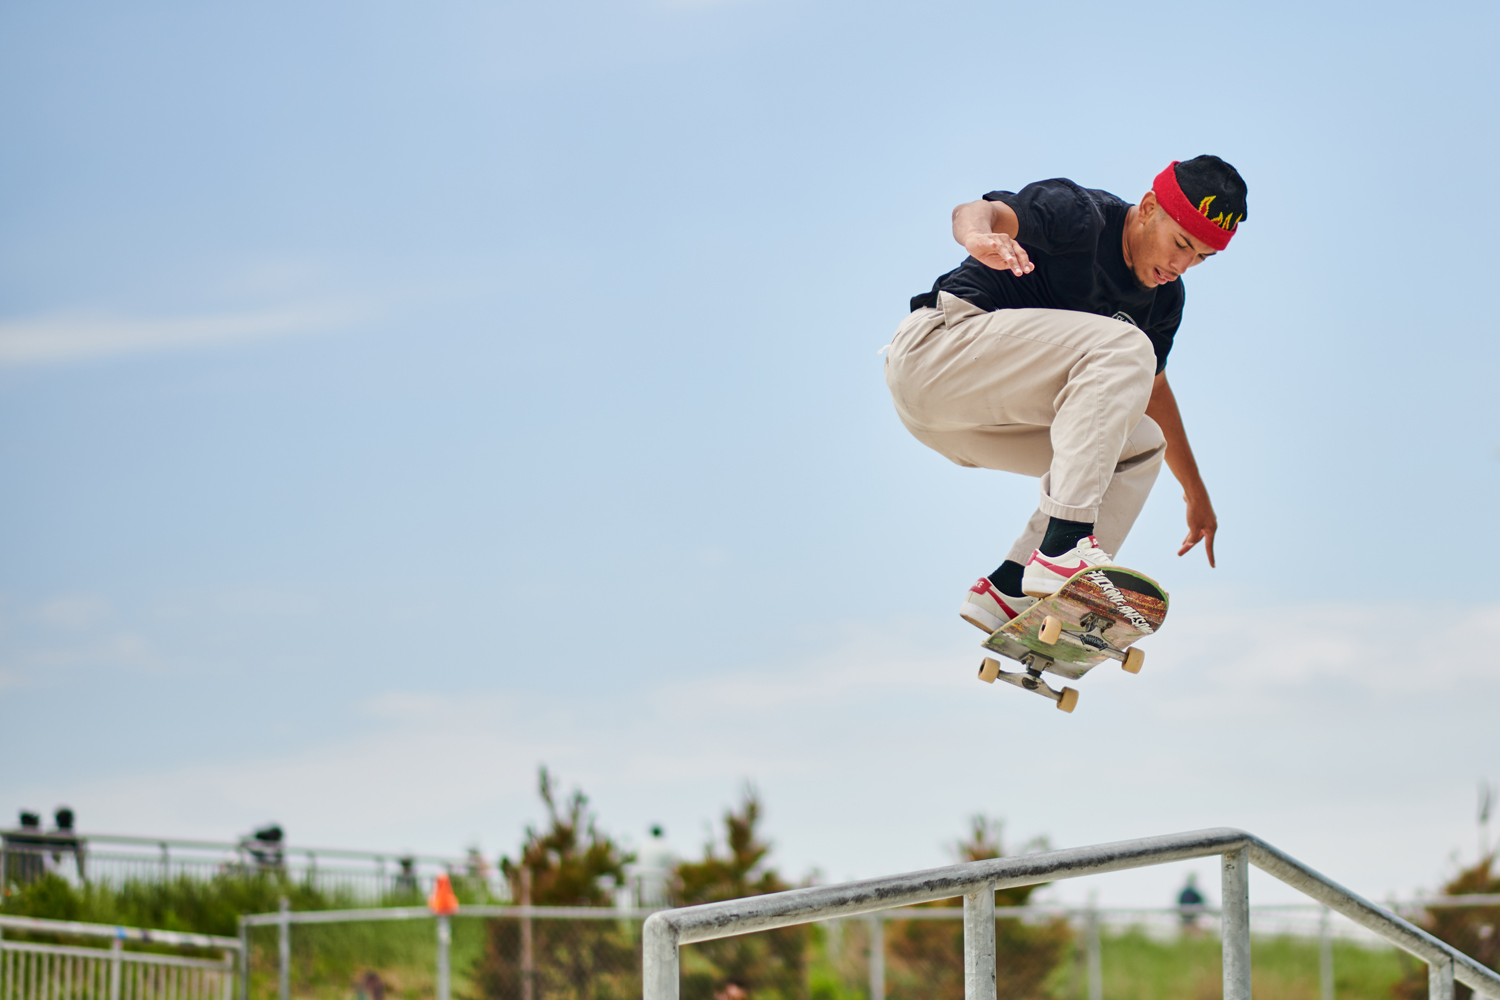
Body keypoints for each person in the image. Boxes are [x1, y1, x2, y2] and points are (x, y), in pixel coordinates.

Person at [883, 156, 1247, 630]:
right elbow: (977, 210)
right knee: (1125, 347)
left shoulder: (1164, 301)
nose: (1181, 267)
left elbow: (1151, 393)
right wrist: (978, 236)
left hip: (972, 426)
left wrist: (1195, 492)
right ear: (1149, 207)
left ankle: (1013, 590)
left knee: (1141, 445)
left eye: (1200, 258)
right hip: (937, 354)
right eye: (1179, 244)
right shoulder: (1080, 215)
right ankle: (1064, 548)